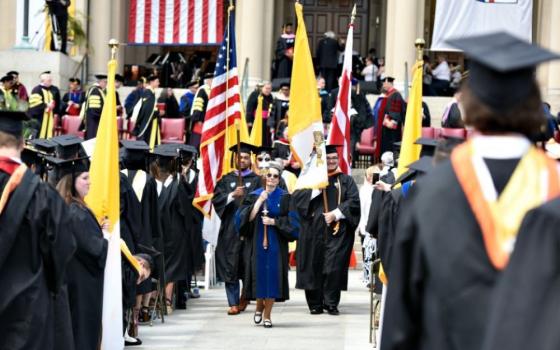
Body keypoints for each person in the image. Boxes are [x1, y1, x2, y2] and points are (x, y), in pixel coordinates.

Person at [380, 32, 560, 350]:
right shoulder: (554, 188)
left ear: (470, 105)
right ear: (534, 105)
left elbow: (402, 319)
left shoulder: (431, 193)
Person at [0, 106, 76, 350]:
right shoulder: (44, 195)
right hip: (29, 308)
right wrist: (50, 286)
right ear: (22, 144)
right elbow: (62, 249)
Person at [292, 145, 360, 315]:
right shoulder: (310, 181)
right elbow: (297, 201)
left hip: (337, 233)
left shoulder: (345, 180)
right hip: (312, 232)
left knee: (333, 268)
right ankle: (315, 303)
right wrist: (316, 189)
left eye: (334, 159)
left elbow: (353, 202)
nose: (331, 161)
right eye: (328, 159)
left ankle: (331, 303)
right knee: (313, 267)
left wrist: (337, 214)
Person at [52, 157, 108, 350]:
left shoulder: (68, 208)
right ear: (71, 181)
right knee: (83, 335)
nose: (89, 182)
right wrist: (107, 239)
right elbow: (95, 249)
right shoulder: (76, 212)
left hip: (75, 284)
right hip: (82, 287)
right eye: (85, 178)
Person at [235, 161, 298, 328]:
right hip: (256, 243)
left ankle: (268, 315)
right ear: (264, 177)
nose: (271, 178)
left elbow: (293, 223)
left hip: (276, 244)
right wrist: (258, 202)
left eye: (275, 176)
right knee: (259, 276)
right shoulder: (254, 194)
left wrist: (274, 222)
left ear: (279, 179)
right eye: (268, 175)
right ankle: (258, 307)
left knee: (272, 279)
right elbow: (242, 220)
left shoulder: (285, 197)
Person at [212, 143, 261, 315]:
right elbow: (216, 201)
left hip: (250, 230)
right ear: (235, 158)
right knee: (230, 265)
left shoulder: (256, 180)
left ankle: (244, 297)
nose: (242, 160)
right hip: (230, 230)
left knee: (247, 265)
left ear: (250, 160)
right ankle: (232, 302)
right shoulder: (226, 180)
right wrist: (232, 195)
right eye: (240, 157)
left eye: (246, 157)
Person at [374, 76, 404, 158]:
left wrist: (392, 121)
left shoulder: (396, 94)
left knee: (390, 148)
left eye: (384, 83)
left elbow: (396, 111)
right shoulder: (388, 95)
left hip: (391, 129)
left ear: (389, 83)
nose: (383, 85)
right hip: (385, 127)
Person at [28, 71, 61, 138]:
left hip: (50, 118)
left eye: (51, 79)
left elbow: (57, 103)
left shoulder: (52, 89)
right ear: (43, 80)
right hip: (39, 118)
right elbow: (35, 105)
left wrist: (56, 113)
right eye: (49, 79)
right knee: (38, 134)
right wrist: (47, 105)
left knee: (49, 135)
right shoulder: (36, 89)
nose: (51, 80)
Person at [133, 75, 163, 148]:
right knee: (147, 140)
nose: (159, 83)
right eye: (157, 81)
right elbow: (147, 109)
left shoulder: (151, 92)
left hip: (152, 121)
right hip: (148, 121)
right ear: (152, 82)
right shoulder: (148, 92)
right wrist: (158, 112)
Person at [189, 73, 213, 148]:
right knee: (197, 141)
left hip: (208, 120)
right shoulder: (203, 90)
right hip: (201, 121)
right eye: (212, 80)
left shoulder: (211, 90)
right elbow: (198, 106)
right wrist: (199, 120)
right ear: (208, 81)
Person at [82, 74, 107, 140]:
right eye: (105, 82)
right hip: (94, 121)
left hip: (93, 120)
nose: (106, 84)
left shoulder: (96, 90)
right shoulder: (95, 90)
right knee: (92, 139)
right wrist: (105, 114)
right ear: (100, 82)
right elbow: (95, 109)